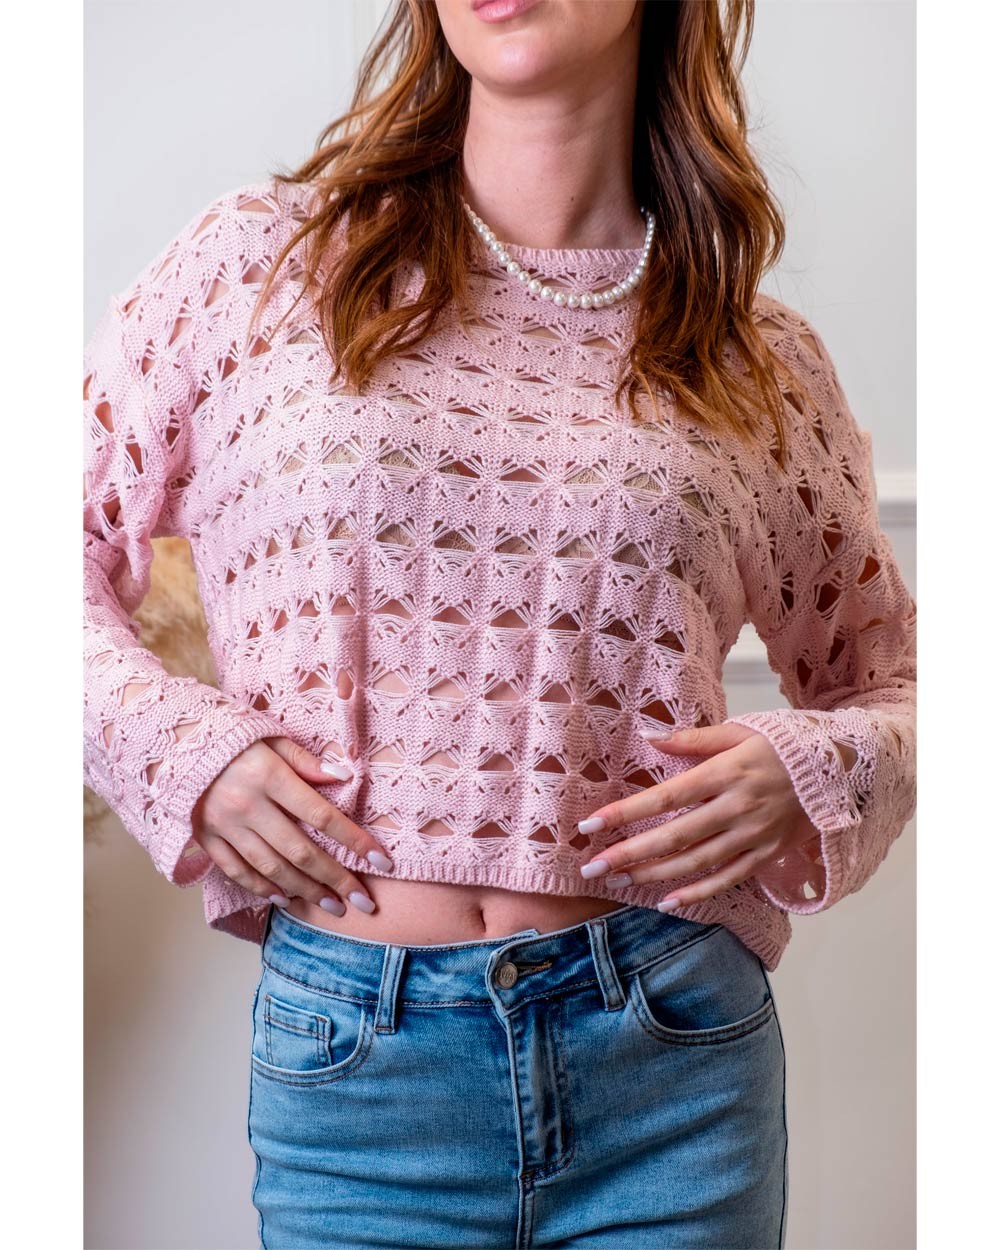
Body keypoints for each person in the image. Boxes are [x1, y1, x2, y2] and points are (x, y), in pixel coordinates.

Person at [83, 1, 916, 1246]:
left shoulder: (755, 357)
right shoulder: (258, 268)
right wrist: (182, 751)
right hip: (358, 1073)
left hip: (672, 1060)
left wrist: (812, 763)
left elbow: (901, 682)